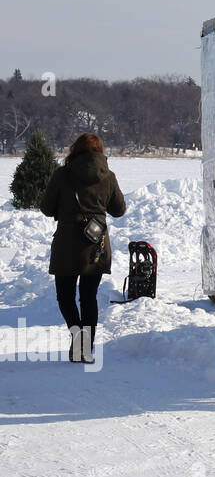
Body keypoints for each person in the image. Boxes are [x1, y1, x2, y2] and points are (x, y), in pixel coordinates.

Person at [40, 133, 125, 364]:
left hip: (67, 242)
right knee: (89, 297)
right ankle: (86, 348)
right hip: (95, 244)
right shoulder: (108, 176)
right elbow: (119, 210)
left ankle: (77, 337)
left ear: (75, 149)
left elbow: (47, 209)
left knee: (65, 296)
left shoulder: (62, 175)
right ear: (100, 151)